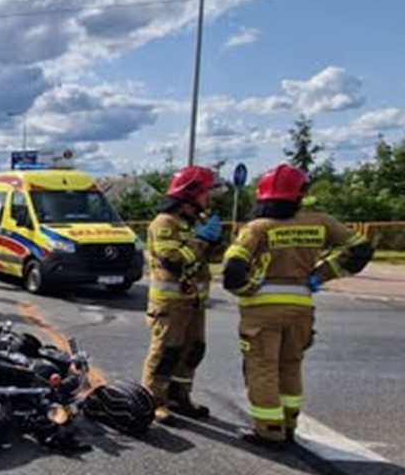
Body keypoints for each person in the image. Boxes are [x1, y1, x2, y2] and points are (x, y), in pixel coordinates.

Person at [222, 163, 374, 447]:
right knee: (291, 365)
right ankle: (289, 423)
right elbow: (361, 249)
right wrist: (322, 274)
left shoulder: (258, 227)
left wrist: (244, 288)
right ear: (300, 194)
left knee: (262, 367)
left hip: (262, 311)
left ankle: (268, 429)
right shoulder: (320, 222)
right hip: (301, 306)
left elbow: (232, 268)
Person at [140, 165, 224, 422]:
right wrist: (200, 241)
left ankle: (180, 397)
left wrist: (215, 242)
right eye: (205, 193)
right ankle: (153, 401)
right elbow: (173, 260)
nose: (207, 198)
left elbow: (210, 259)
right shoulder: (165, 222)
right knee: (166, 353)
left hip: (194, 302)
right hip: (170, 304)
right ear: (190, 194)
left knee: (193, 351)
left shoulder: (194, 223)